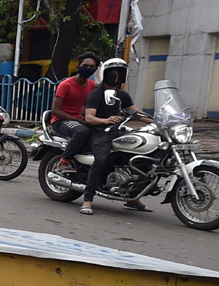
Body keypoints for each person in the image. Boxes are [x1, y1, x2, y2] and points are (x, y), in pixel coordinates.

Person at [79, 58, 153, 215]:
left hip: (117, 131)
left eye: (119, 73)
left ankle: (132, 197)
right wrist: (104, 120)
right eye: (112, 73)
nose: (115, 76)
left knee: (142, 158)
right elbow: (89, 118)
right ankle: (87, 199)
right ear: (104, 74)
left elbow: (136, 113)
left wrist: (159, 121)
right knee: (101, 160)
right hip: (99, 132)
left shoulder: (122, 95)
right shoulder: (96, 94)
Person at [50, 51, 101, 174]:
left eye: (91, 67)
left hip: (80, 119)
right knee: (82, 131)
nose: (88, 68)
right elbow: (55, 110)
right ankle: (63, 162)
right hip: (61, 121)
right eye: (85, 66)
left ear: (95, 69)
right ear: (78, 67)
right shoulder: (65, 85)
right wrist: (76, 119)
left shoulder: (92, 85)